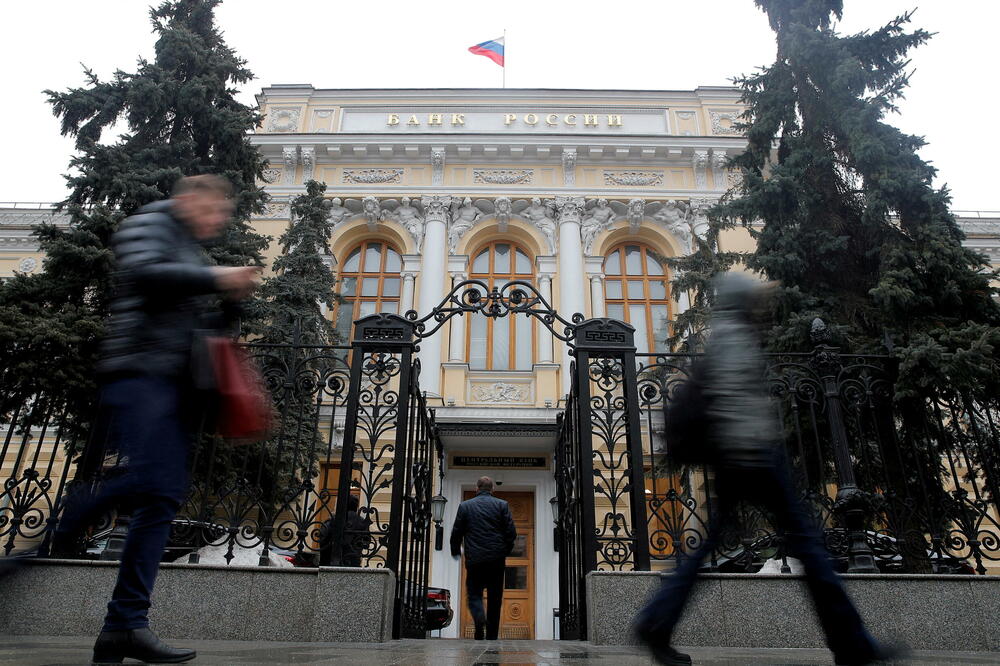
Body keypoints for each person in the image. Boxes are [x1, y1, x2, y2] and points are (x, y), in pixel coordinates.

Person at [633, 273, 903, 666]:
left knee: (711, 550)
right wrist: (756, 451)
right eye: (757, 299)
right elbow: (735, 399)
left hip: (738, 457)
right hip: (754, 456)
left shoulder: (725, 334)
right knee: (811, 547)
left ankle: (655, 623)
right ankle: (853, 645)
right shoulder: (735, 336)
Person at [52, 175, 260, 665]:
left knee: (161, 497)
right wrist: (216, 279)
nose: (217, 223)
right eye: (213, 212)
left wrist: (231, 304)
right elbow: (145, 273)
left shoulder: (190, 250)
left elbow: (198, 323)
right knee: (153, 483)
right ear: (191, 199)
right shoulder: (149, 222)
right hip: (139, 372)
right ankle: (66, 526)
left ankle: (123, 626)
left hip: (173, 382)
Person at [450, 476, 516, 641]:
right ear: (492, 489)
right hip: (496, 560)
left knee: (474, 594)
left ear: (477, 489)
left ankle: (479, 620)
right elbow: (511, 532)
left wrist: (455, 551)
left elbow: (457, 532)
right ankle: (492, 635)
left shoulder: (465, 506)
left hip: (475, 560)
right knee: (495, 598)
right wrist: (505, 550)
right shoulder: (502, 505)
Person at [318, 494, 371, 567]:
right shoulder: (361, 522)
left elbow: (322, 538)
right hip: (353, 562)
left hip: (331, 561)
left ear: (341, 504)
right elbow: (366, 542)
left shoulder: (334, 520)